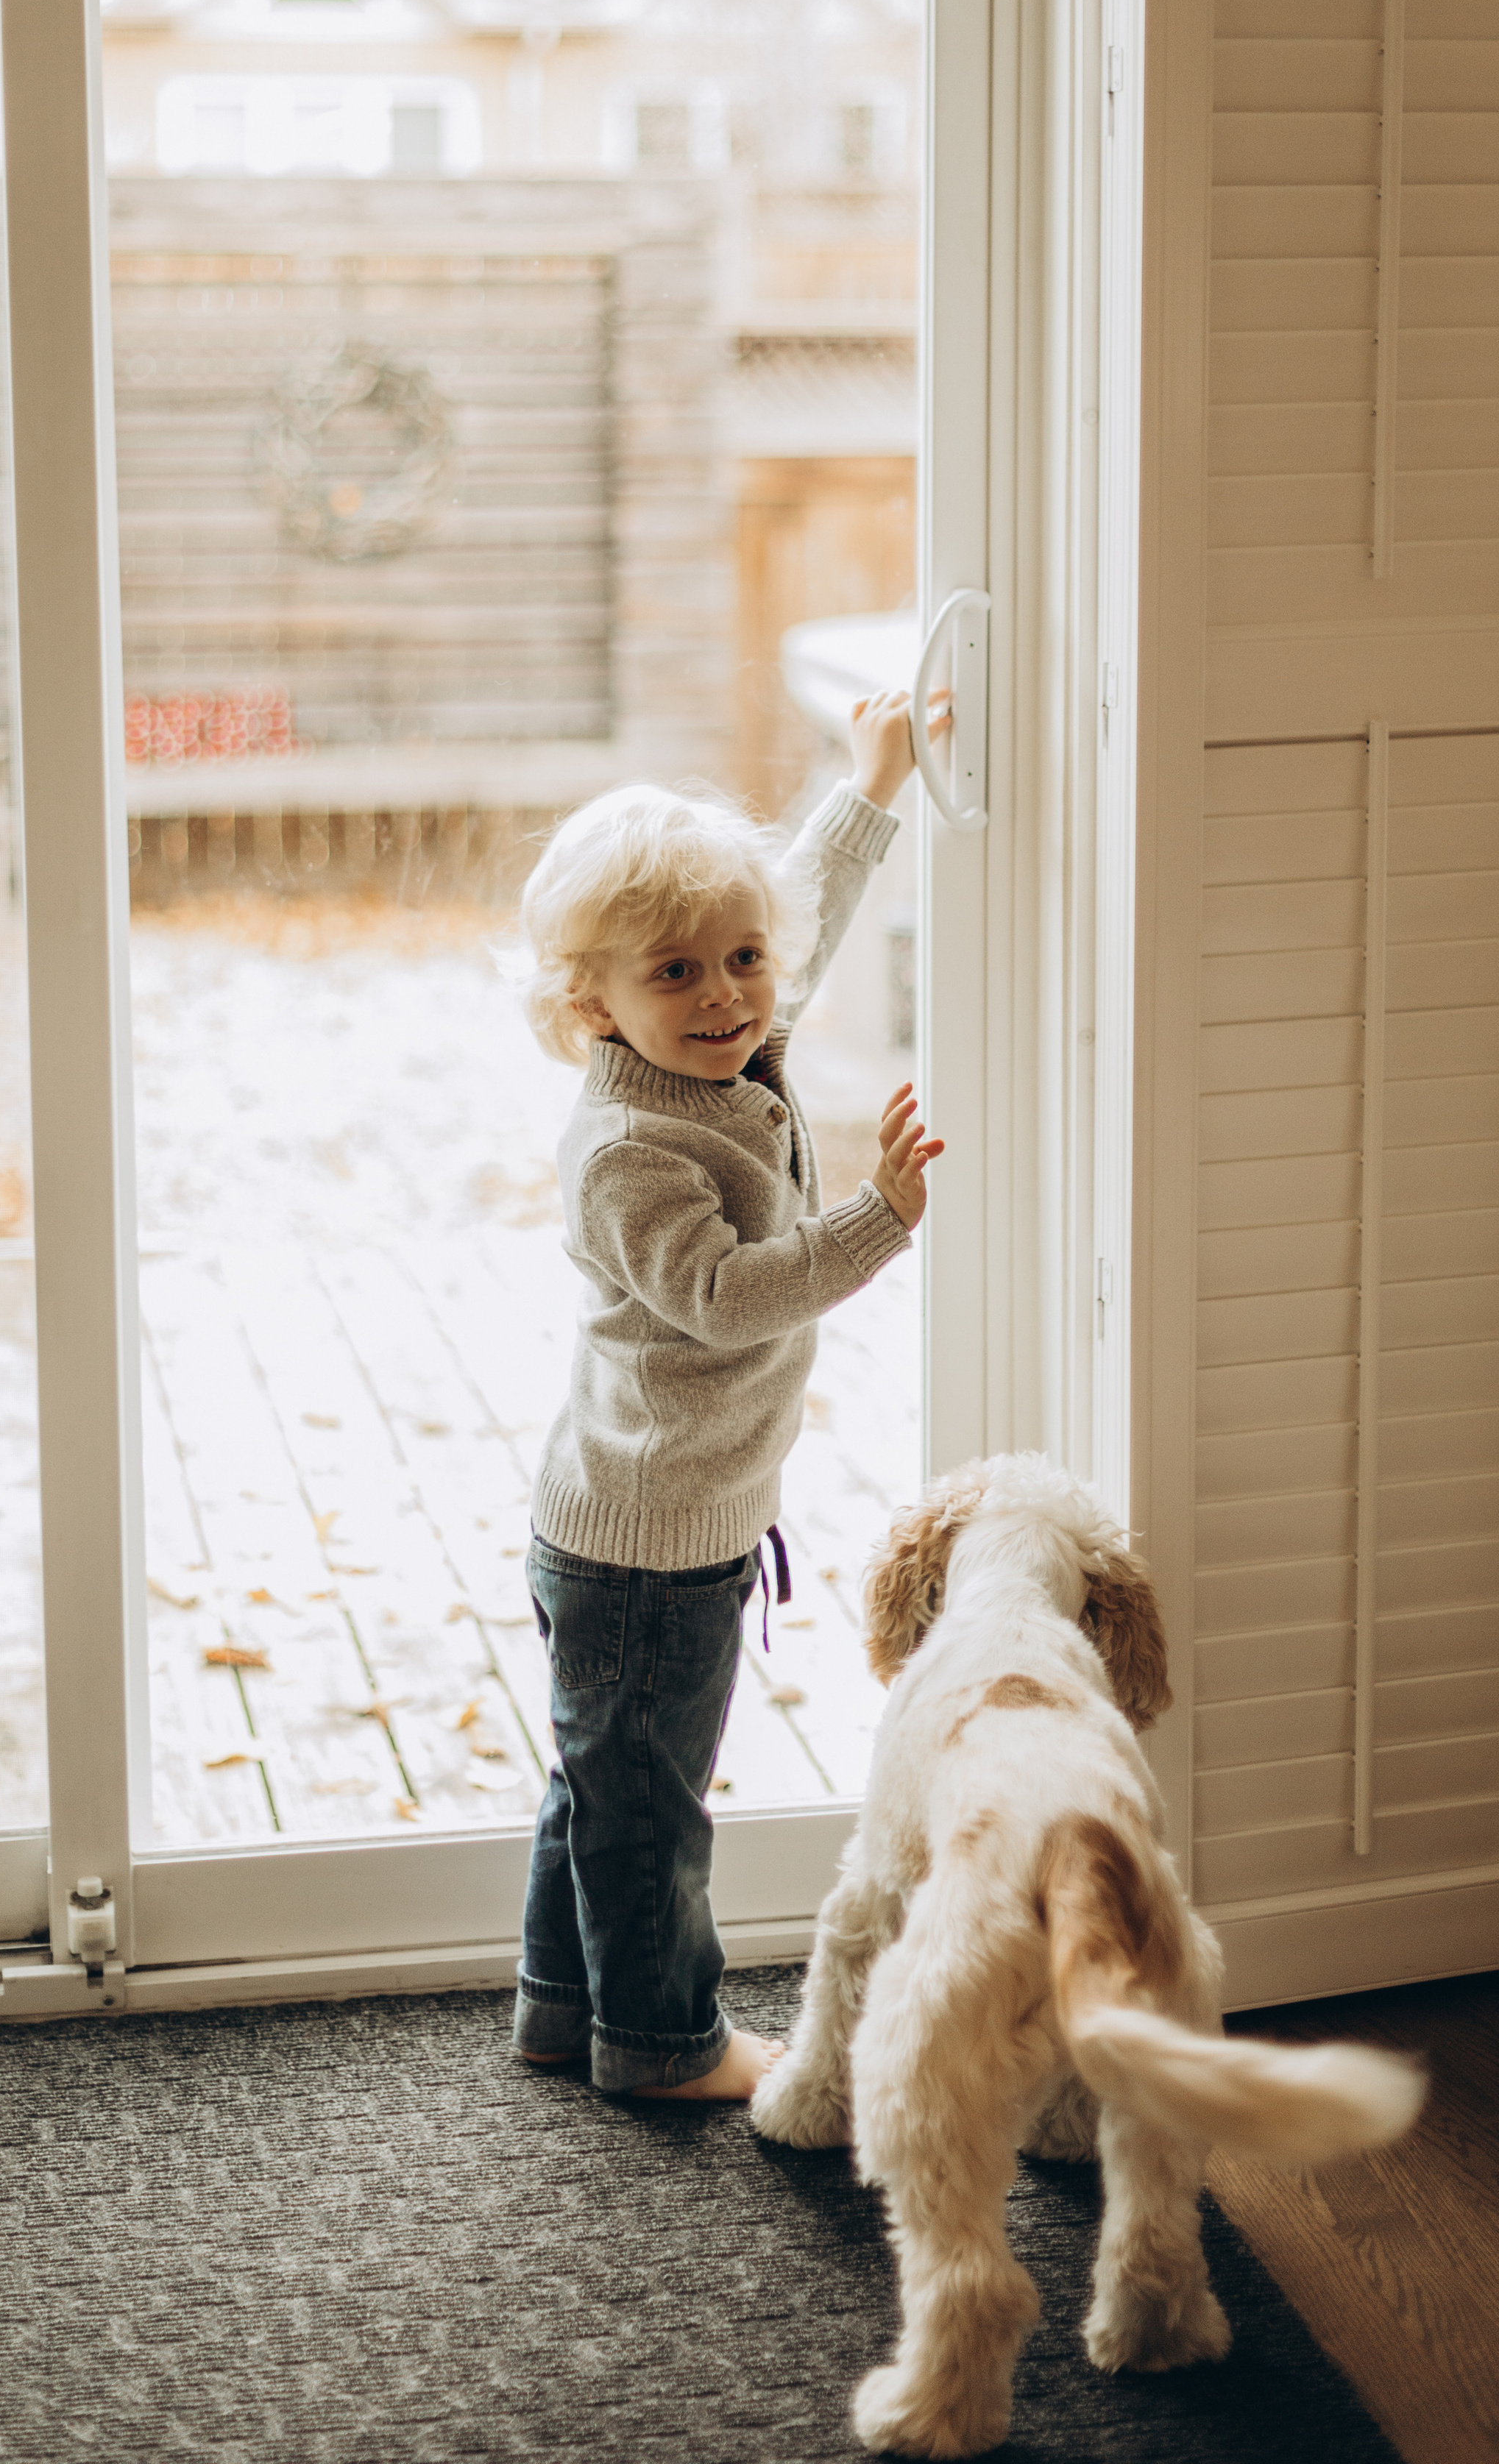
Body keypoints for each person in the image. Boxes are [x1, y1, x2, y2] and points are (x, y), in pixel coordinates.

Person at [506, 689, 943, 2102]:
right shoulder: (630, 1148)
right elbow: (726, 1293)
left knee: (601, 1791)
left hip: (654, 1517)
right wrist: (877, 1217)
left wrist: (873, 785)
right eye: (678, 974)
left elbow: (797, 909)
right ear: (596, 1005)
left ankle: (561, 2007)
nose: (732, 996)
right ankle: (662, 2042)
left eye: (741, 962)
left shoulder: (724, 1048)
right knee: (648, 1811)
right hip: (646, 1540)